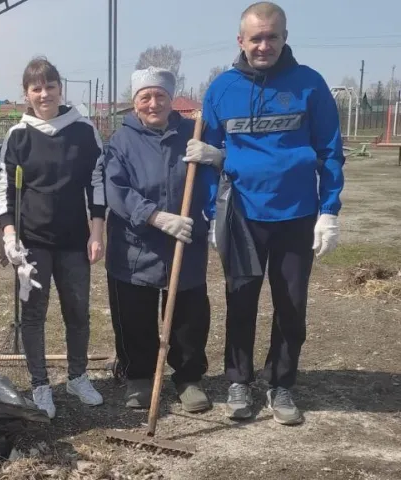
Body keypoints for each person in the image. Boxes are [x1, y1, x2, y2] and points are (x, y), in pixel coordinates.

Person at [191, 1, 345, 425]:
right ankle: (239, 379)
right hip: (242, 213)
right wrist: (209, 215)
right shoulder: (221, 89)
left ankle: (281, 383)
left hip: (297, 213)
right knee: (240, 298)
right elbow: (207, 159)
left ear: (284, 38)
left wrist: (328, 210)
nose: (264, 45)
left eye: (272, 36)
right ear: (240, 40)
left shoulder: (309, 85)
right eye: (255, 37)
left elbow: (331, 152)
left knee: (291, 304)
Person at [101, 66, 220, 412]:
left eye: (160, 96)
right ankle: (138, 377)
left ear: (172, 100)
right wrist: (155, 216)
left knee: (189, 316)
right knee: (134, 314)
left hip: (185, 243)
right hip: (134, 245)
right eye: (145, 97)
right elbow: (115, 188)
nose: (153, 103)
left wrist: (216, 157)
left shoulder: (194, 133)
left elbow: (222, 174)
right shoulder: (120, 141)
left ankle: (188, 377)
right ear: (135, 103)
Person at [0, 57, 106, 419]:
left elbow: (97, 183)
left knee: (77, 312)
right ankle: (40, 384)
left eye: (50, 86)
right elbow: (5, 189)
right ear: (27, 95)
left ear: (61, 88)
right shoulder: (18, 135)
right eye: (36, 88)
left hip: (75, 240)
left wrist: (96, 232)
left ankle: (77, 376)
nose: (44, 94)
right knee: (34, 315)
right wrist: (9, 234)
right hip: (33, 243)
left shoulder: (83, 131)